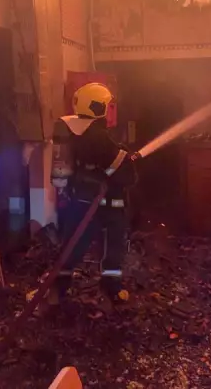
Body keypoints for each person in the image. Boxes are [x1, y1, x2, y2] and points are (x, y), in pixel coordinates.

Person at [49, 82, 139, 307]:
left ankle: (58, 288)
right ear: (99, 107)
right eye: (109, 106)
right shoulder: (98, 136)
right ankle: (111, 286)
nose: (112, 111)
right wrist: (127, 159)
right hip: (107, 206)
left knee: (71, 246)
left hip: (79, 201)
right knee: (113, 248)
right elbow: (127, 177)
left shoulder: (73, 129)